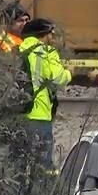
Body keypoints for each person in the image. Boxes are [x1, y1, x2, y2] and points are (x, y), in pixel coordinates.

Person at [18, 18, 72, 169]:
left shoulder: (17, 49)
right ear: (44, 34)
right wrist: (69, 73)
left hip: (19, 114)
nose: (52, 38)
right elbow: (58, 79)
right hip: (39, 114)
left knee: (19, 165)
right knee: (43, 165)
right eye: (51, 34)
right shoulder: (47, 52)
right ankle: (44, 190)